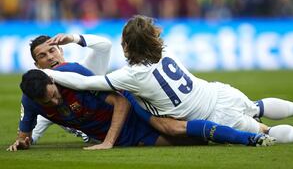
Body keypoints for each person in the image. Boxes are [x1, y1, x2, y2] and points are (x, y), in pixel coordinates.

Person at [43, 15, 293, 144]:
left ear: (127, 46)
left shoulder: (131, 76)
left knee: (264, 130)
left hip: (211, 115)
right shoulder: (167, 52)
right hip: (219, 93)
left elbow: (84, 83)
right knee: (258, 107)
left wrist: (44, 72)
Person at [7, 64, 275, 152]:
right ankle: (256, 128)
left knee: (170, 126)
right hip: (123, 135)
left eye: (54, 95)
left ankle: (251, 136)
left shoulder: (72, 75)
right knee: (191, 140)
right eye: (47, 103)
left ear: (52, 81)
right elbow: (24, 134)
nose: (54, 103)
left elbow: (120, 100)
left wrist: (108, 142)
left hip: (131, 110)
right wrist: (22, 142)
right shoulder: (30, 101)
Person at [28, 33, 113, 144]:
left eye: (52, 50)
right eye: (42, 56)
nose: (49, 57)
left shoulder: (86, 69)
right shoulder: (50, 102)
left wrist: (74, 38)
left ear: (61, 51)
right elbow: (30, 137)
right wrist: (26, 141)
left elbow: (105, 45)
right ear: (37, 65)